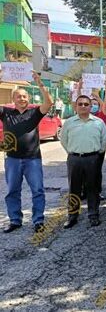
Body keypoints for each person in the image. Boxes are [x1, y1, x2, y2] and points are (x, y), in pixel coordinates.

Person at [0, 72, 53, 233]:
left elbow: (48, 103)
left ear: (28, 98)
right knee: (12, 191)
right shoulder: (5, 113)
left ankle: (38, 220)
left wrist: (40, 84)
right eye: (19, 97)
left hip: (32, 159)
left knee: (37, 190)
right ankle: (15, 220)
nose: (22, 99)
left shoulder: (34, 113)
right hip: (12, 160)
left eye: (24, 96)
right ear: (13, 99)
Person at [60, 95, 106, 228]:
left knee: (92, 188)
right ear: (75, 106)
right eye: (80, 104)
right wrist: (73, 152)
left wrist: (96, 155)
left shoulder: (98, 122)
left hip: (93, 158)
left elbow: (104, 141)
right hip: (74, 159)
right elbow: (63, 140)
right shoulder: (69, 122)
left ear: (90, 106)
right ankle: (72, 216)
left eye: (86, 104)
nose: (83, 106)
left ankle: (93, 215)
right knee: (74, 188)